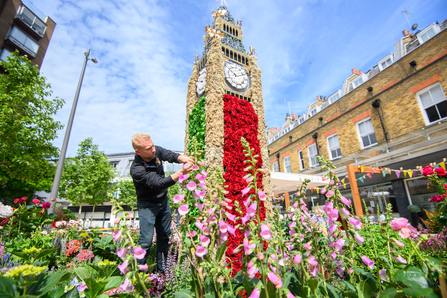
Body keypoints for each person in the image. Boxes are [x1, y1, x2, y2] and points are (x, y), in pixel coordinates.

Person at [130, 133, 193, 272]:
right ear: (138, 152)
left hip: (163, 202)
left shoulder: (154, 150)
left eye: (153, 146)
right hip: (147, 206)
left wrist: (180, 157)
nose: (153, 150)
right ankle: (137, 275)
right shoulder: (137, 170)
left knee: (164, 236)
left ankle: (163, 274)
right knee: (146, 240)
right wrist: (181, 172)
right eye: (148, 149)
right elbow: (159, 183)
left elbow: (168, 155)